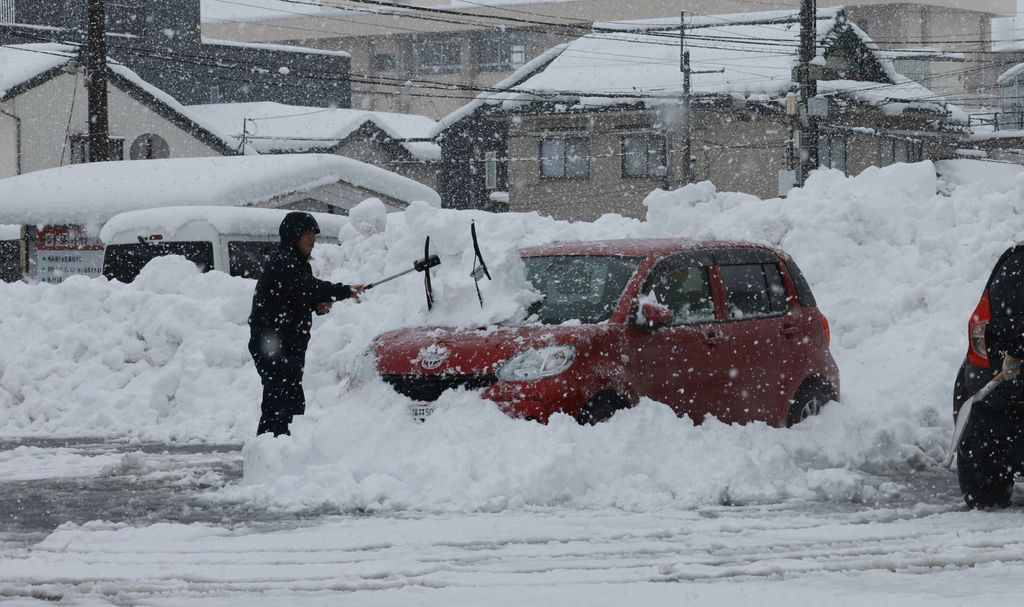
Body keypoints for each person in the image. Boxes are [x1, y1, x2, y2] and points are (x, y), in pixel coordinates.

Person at [248, 211, 362, 437]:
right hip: (272, 344)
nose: (313, 240)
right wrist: (342, 291)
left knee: (284, 402)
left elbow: (294, 297)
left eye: (314, 234)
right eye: (307, 234)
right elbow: (307, 287)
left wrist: (315, 306)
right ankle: (273, 451)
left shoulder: (297, 264)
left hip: (288, 343)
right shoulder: (282, 261)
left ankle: (276, 450)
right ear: (292, 236)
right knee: (283, 402)